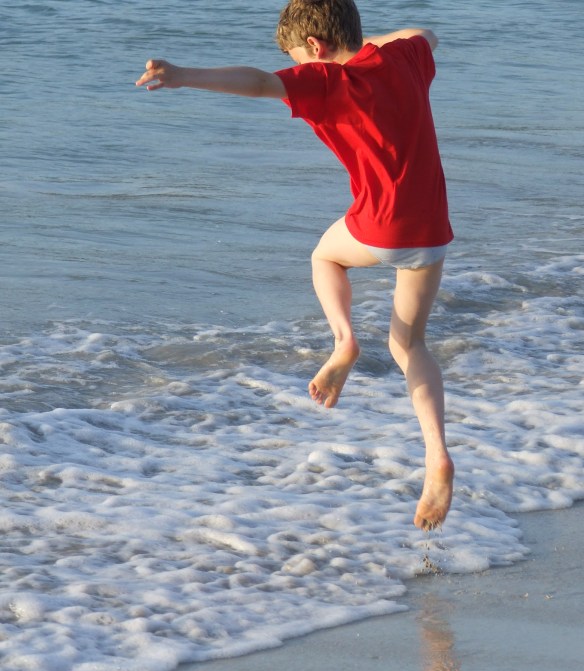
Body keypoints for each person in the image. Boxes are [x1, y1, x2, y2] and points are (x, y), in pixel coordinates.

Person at [136, 0, 454, 531]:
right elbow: (426, 32)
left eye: (297, 58)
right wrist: (368, 41)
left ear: (314, 48)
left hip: (379, 225)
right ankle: (437, 454)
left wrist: (185, 75)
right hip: (432, 228)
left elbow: (259, 83)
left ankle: (344, 341)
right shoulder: (405, 57)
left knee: (324, 255)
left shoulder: (325, 81)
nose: (296, 67)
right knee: (409, 345)